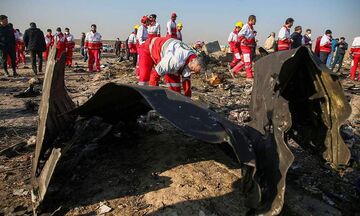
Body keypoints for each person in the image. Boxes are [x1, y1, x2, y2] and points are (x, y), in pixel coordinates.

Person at [238, 15, 257, 79]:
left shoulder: (251, 27)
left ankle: (233, 70)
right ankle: (249, 76)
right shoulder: (246, 26)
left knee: (244, 61)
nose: (256, 21)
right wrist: (244, 41)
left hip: (249, 46)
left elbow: (248, 35)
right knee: (248, 61)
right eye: (255, 20)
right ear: (251, 20)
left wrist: (253, 33)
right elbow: (240, 35)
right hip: (245, 47)